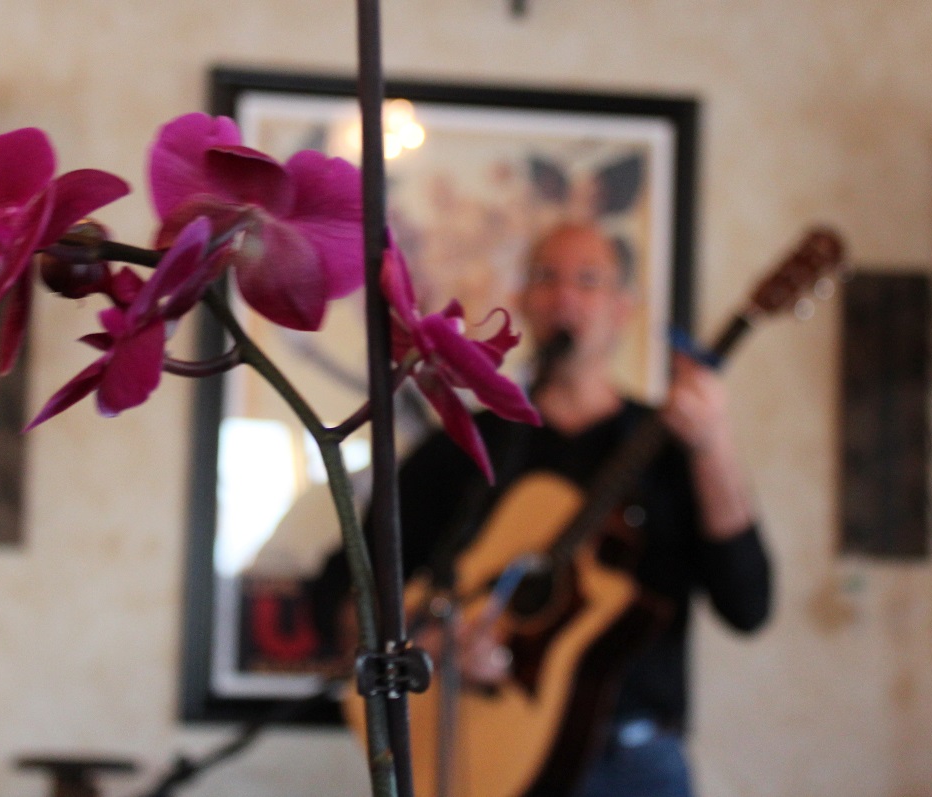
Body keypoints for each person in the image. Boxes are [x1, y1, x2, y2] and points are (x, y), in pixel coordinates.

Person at [316, 221, 772, 797]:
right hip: (491, 759)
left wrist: (713, 446)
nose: (565, 298)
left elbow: (748, 605)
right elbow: (346, 587)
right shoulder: (465, 449)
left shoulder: (672, 449)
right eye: (547, 278)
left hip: (633, 767)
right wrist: (429, 648)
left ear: (623, 308)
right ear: (523, 301)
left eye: (588, 281)